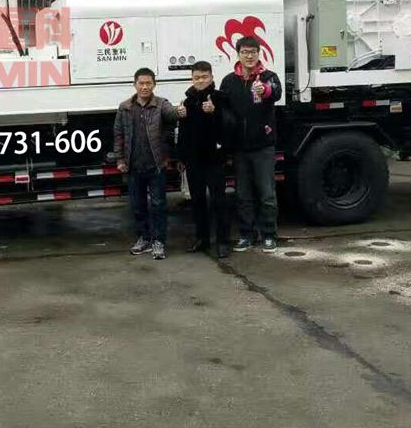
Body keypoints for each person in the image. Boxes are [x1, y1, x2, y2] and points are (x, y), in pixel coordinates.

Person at [219, 36, 283, 253]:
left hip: (263, 146)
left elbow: (275, 92)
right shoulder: (229, 81)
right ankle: (246, 235)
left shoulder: (268, 77)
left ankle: (269, 235)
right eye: (245, 52)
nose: (249, 56)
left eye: (253, 52)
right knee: (243, 195)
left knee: (267, 194)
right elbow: (223, 110)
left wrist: (264, 90)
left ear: (258, 54)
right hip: (239, 148)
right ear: (238, 54)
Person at [113, 68, 179, 260]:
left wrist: (180, 111)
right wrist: (120, 159)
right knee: (137, 206)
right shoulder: (125, 107)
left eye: (148, 83)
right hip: (133, 166)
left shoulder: (161, 104)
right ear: (134, 85)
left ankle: (159, 241)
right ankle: (144, 238)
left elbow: (172, 115)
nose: (144, 87)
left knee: (159, 205)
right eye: (141, 83)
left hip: (156, 165)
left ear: (154, 85)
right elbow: (118, 134)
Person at [176, 61, 231, 258]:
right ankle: (202, 239)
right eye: (197, 78)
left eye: (204, 77)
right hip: (194, 161)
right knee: (197, 201)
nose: (200, 81)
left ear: (212, 77)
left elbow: (229, 126)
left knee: (219, 201)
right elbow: (183, 133)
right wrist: (181, 157)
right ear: (192, 79)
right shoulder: (188, 101)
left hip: (214, 160)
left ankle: (223, 242)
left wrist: (214, 112)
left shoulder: (220, 98)